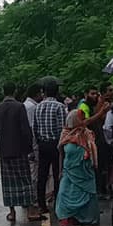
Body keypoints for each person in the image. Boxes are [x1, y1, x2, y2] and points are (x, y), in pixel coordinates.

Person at [0, 82, 42, 223]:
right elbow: (26, 130)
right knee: (25, 180)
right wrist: (29, 149)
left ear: (3, 91)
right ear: (15, 91)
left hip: (5, 151)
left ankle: (12, 213)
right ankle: (30, 211)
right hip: (20, 150)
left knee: (8, 183)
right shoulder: (19, 107)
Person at [55, 109, 99, 226]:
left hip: (84, 173)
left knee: (85, 198)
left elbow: (93, 150)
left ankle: (83, 223)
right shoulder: (65, 134)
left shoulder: (87, 134)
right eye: (80, 117)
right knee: (64, 195)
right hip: (69, 171)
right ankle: (63, 224)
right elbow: (61, 155)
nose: (82, 120)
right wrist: (60, 171)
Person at [34, 81, 68, 213]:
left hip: (43, 144)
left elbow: (35, 127)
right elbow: (62, 128)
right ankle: (57, 204)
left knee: (42, 174)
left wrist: (39, 141)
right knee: (57, 173)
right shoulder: (60, 107)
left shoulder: (38, 106)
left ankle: (41, 204)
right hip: (56, 144)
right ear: (57, 92)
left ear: (45, 92)